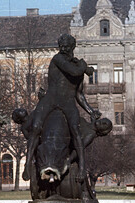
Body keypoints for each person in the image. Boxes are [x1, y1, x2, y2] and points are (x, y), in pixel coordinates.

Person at [22, 34, 101, 182]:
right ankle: (28, 164)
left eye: (66, 46)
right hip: (51, 98)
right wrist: (84, 67)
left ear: (72, 47)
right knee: (36, 126)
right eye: (61, 46)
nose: (63, 49)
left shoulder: (76, 66)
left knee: (76, 131)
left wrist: (91, 111)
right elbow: (74, 71)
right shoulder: (58, 59)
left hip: (67, 101)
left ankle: (82, 168)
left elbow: (79, 94)